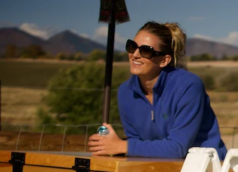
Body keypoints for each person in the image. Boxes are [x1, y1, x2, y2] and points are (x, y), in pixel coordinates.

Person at [88, 21, 226, 159]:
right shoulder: (125, 92)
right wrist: (110, 146)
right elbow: (136, 142)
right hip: (160, 168)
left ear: (164, 61)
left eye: (145, 51)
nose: (135, 54)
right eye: (132, 46)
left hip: (207, 169)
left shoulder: (188, 86)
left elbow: (178, 148)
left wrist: (122, 146)